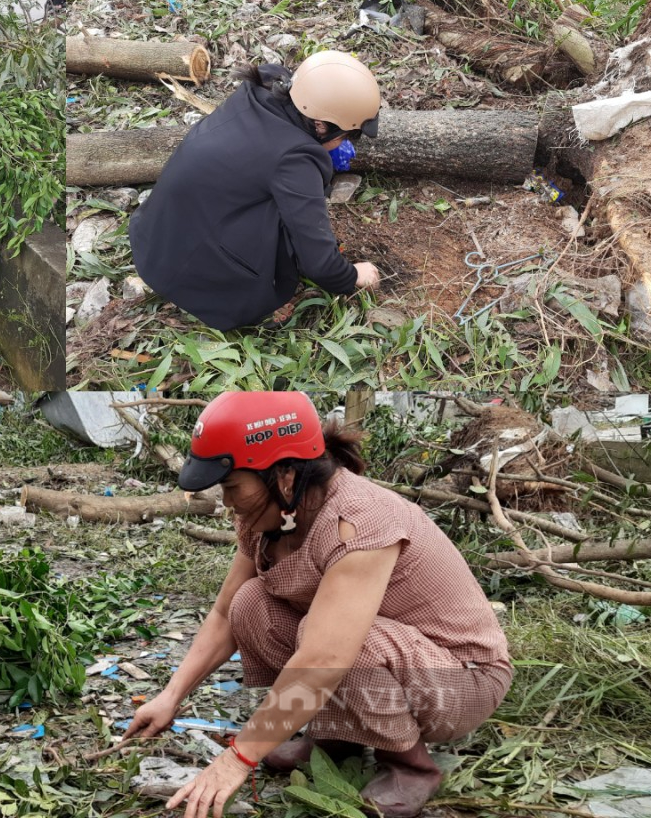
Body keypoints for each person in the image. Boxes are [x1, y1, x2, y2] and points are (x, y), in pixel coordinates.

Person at [124, 391, 512, 818]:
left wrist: (237, 759)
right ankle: (336, 739)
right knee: (251, 604)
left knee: (332, 644)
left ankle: (411, 765)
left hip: (458, 679)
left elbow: (326, 658)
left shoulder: (359, 521)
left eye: (233, 487)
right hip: (390, 656)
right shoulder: (265, 517)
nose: (227, 502)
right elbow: (224, 612)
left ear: (285, 475)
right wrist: (170, 696)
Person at [128, 52, 381, 331]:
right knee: (288, 229)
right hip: (192, 284)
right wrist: (351, 276)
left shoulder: (260, 90)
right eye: (345, 136)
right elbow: (319, 263)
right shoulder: (294, 159)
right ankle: (229, 295)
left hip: (153, 242)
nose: (343, 144)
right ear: (321, 125)